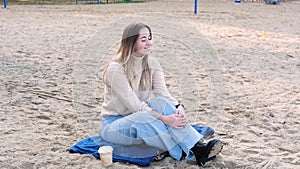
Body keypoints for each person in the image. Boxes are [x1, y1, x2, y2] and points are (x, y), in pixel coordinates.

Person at [100, 22, 223, 166]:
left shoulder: (152, 64)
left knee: (161, 103)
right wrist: (164, 119)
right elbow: (135, 106)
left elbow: (163, 94)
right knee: (144, 117)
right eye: (143, 39)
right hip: (114, 125)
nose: (149, 43)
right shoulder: (115, 69)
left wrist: (178, 106)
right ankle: (187, 150)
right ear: (130, 42)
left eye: (150, 38)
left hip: (139, 116)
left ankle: (198, 147)